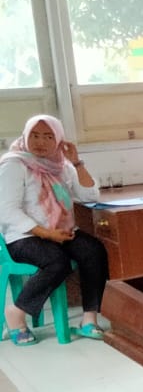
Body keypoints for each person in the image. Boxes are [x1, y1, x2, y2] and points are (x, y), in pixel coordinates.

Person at [0, 115, 110, 343]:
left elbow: (90, 196)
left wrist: (77, 163)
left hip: (61, 232)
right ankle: (16, 313)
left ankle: (89, 319)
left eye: (49, 136)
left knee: (94, 250)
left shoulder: (62, 165)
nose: (41, 142)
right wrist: (46, 233)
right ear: (25, 136)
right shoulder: (14, 164)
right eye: (35, 135)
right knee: (56, 260)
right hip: (24, 236)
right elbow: (6, 211)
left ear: (59, 140)